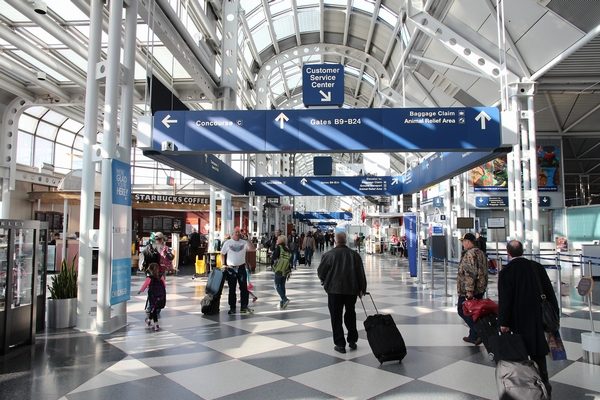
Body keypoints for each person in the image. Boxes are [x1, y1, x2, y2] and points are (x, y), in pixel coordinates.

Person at [499, 240, 558, 396]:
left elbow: (505, 300)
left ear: (508, 253)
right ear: (523, 251)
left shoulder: (506, 272)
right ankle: (545, 383)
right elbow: (550, 293)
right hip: (538, 319)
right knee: (538, 354)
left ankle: (526, 387)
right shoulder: (536, 267)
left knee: (520, 354)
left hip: (518, 321)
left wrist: (503, 322)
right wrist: (555, 316)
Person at [317, 232, 367, 354]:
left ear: (335, 241)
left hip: (334, 291)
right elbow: (360, 273)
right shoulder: (354, 255)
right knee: (351, 314)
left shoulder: (328, 255)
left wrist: (325, 281)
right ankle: (352, 340)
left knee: (336, 317)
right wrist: (362, 289)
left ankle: (340, 344)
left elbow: (321, 272)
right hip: (351, 290)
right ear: (345, 241)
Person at [456, 232, 488, 345]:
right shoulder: (480, 252)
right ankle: (473, 336)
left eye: (464, 242)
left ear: (468, 242)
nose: (463, 244)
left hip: (470, 290)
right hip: (480, 288)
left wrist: (469, 291)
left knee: (462, 310)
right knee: (474, 312)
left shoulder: (470, 254)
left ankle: (478, 332)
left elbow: (470, 273)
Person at [221, 228, 254, 314]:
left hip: (241, 268)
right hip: (231, 269)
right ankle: (232, 308)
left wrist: (247, 239)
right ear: (232, 234)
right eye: (236, 232)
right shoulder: (227, 243)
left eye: (239, 232)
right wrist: (223, 264)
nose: (238, 234)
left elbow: (252, 249)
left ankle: (244, 307)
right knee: (232, 289)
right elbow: (222, 253)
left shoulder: (244, 242)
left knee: (244, 288)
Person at [137, 263, 166, 332]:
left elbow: (144, 285)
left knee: (153, 309)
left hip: (152, 296)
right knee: (153, 309)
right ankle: (149, 320)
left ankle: (156, 324)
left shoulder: (149, 278)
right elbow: (164, 285)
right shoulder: (161, 276)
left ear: (150, 270)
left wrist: (140, 291)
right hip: (160, 296)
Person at [272, 235, 292, 309]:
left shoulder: (279, 247)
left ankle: (284, 299)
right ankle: (282, 302)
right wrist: (289, 271)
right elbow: (289, 260)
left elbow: (274, 257)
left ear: (281, 240)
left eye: (278, 239)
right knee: (282, 285)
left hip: (279, 269)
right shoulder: (287, 249)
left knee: (277, 285)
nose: (277, 240)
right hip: (286, 269)